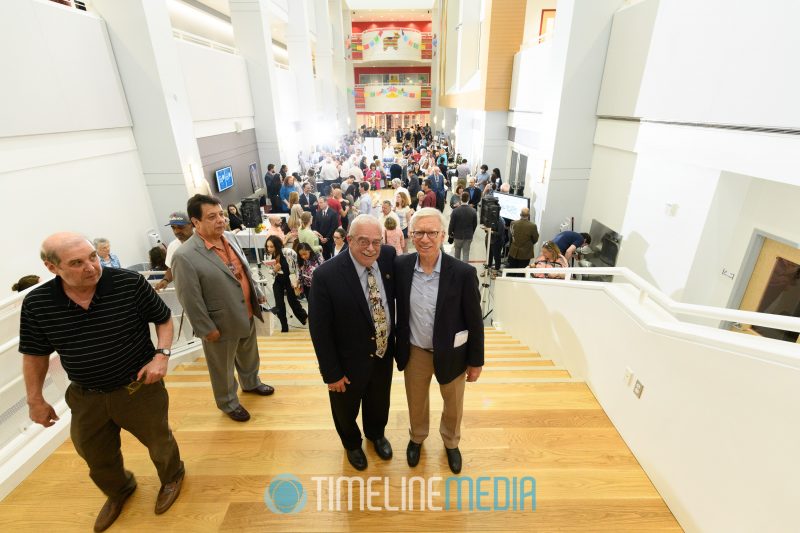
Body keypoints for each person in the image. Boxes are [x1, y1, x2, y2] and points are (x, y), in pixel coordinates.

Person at [20, 233, 184, 531]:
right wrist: (35, 399)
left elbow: (163, 318)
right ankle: (119, 490)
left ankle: (172, 476)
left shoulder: (128, 283)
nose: (91, 266)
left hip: (138, 387)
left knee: (159, 441)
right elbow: (34, 354)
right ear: (51, 267)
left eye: (93, 256)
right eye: (77, 262)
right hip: (86, 394)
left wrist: (161, 355)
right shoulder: (37, 304)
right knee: (93, 452)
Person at [395, 209, 484, 474]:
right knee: (416, 399)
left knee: (453, 402)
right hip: (415, 349)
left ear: (443, 235)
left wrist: (476, 361)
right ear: (411, 235)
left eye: (432, 232)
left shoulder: (463, 273)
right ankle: (417, 437)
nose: (425, 239)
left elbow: (475, 320)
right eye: (419, 232)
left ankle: (451, 442)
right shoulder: (400, 267)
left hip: (453, 352)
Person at [172, 194, 275, 423]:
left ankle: (251, 383)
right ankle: (228, 402)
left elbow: (243, 270)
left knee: (249, 354)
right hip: (219, 323)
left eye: (221, 214)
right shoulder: (184, 256)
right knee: (222, 367)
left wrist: (256, 294)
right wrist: (205, 328)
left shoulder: (229, 237)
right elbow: (189, 298)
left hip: (246, 311)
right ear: (195, 222)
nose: (220, 220)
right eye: (212, 217)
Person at [308, 215, 397, 471]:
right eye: (363, 241)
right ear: (348, 240)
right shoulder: (326, 275)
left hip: (382, 352)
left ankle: (376, 434)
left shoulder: (388, 257)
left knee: (379, 401)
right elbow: (319, 330)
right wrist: (331, 372)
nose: (371, 248)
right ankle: (352, 444)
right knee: (345, 409)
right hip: (346, 362)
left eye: (376, 242)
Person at [265, 235, 307, 331]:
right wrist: (274, 270)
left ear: (277, 245)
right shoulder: (268, 255)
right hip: (277, 280)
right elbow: (269, 271)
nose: (269, 249)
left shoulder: (288, 252)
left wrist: (297, 281)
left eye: (271, 246)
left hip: (290, 280)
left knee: (293, 302)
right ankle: (284, 327)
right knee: (279, 304)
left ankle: (305, 318)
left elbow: (297, 267)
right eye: (268, 246)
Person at [507, 208, 540, 275]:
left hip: (513, 252)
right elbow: (535, 239)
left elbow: (510, 236)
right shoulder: (532, 226)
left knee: (511, 272)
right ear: (528, 215)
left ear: (520, 214)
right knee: (521, 273)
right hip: (525, 253)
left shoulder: (513, 223)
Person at [449, 192, 478, 263]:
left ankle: (457, 269)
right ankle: (465, 270)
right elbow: (475, 224)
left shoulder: (455, 211)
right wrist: (471, 232)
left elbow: (451, 224)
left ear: (461, 198)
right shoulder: (473, 211)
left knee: (457, 253)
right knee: (466, 253)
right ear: (469, 199)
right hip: (468, 236)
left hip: (457, 236)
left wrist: (450, 233)